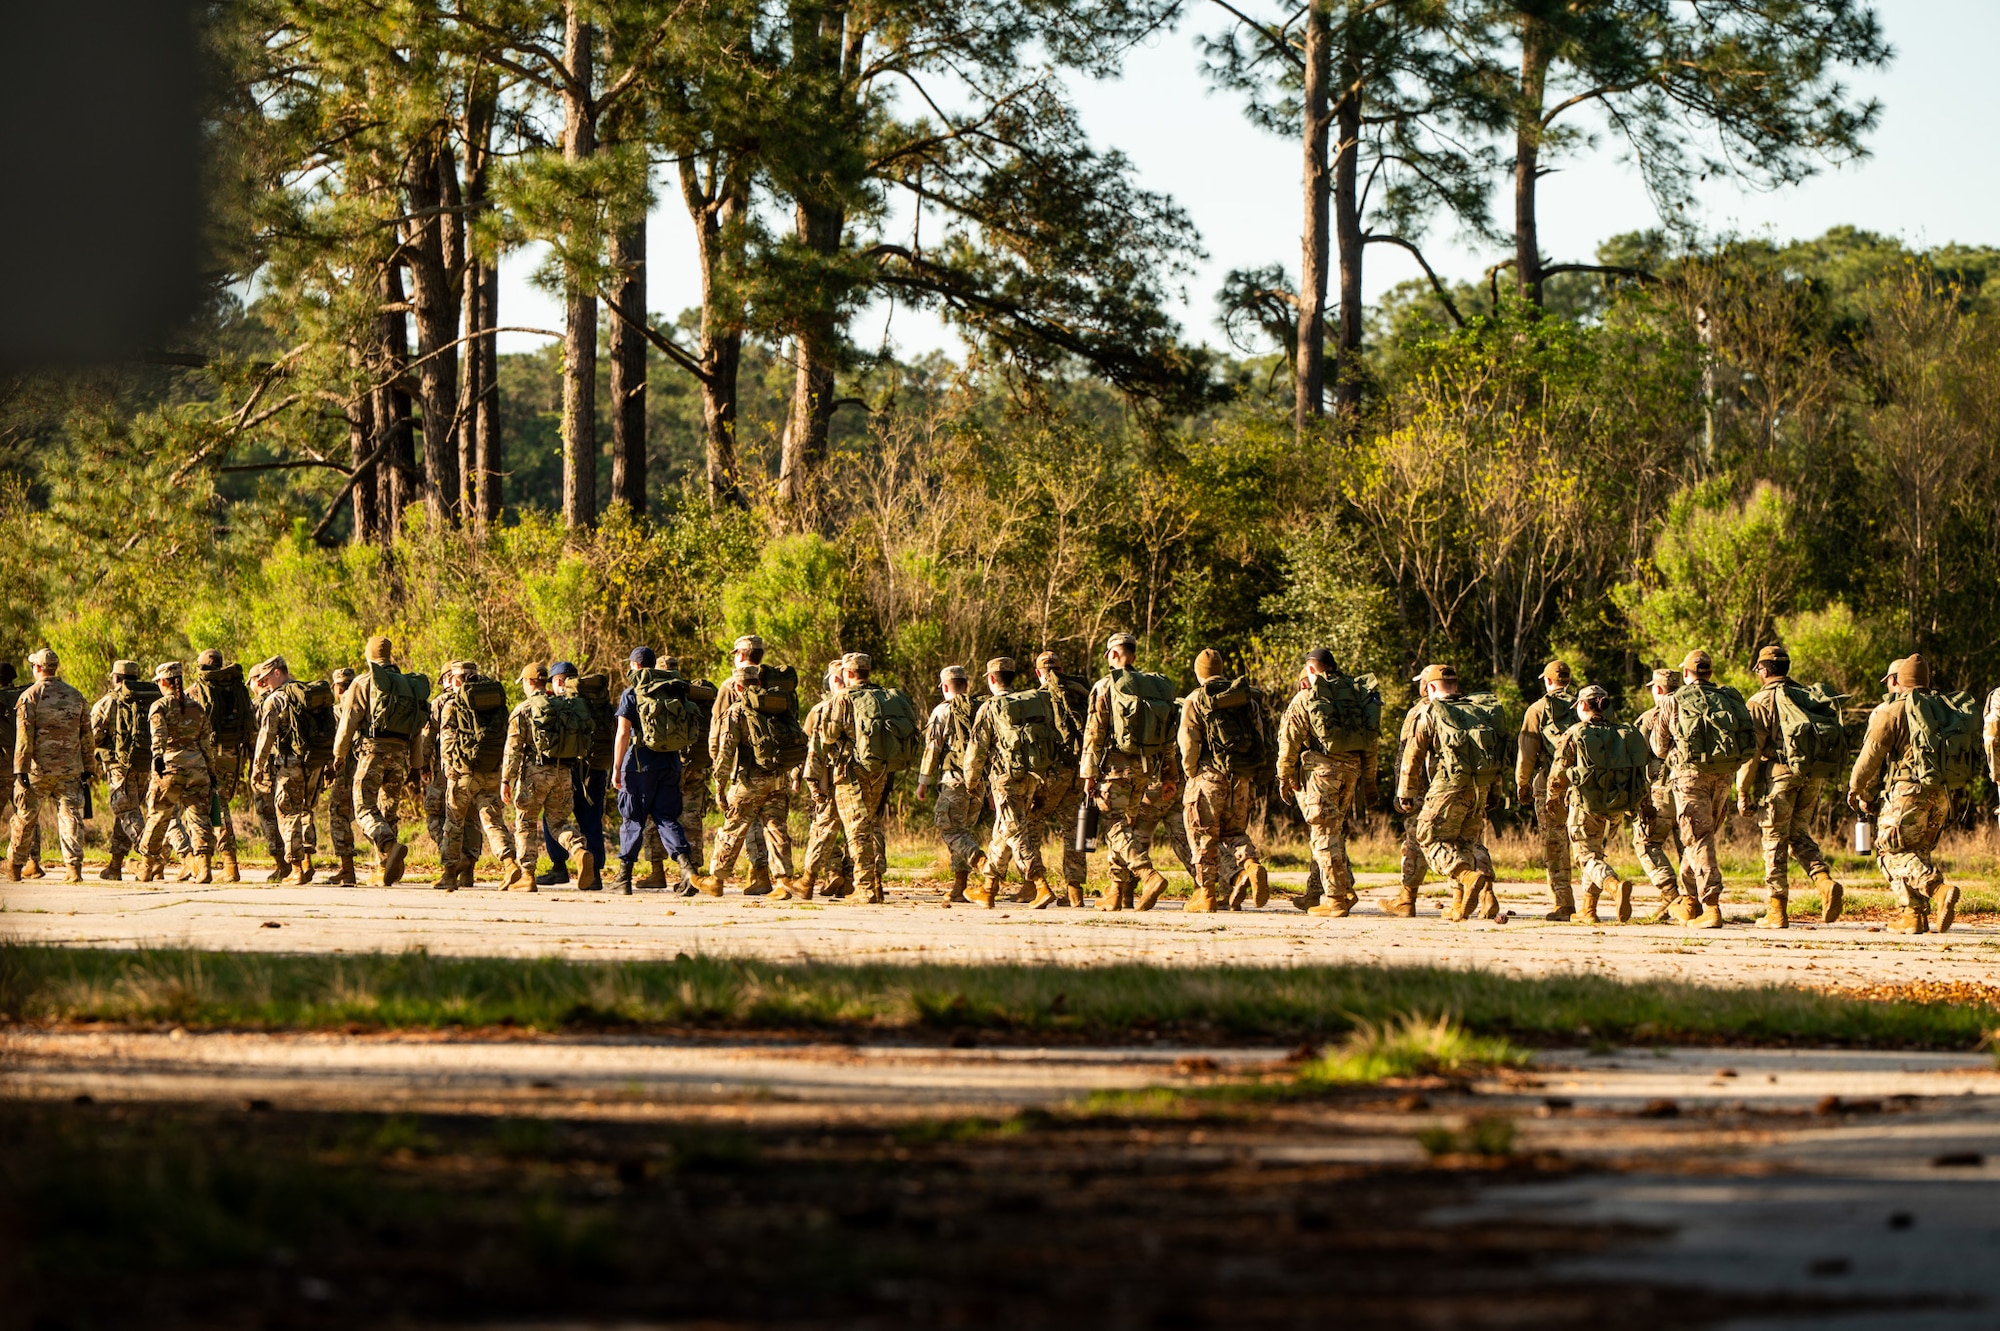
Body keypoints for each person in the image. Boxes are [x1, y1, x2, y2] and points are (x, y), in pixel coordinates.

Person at [1849, 654, 1963, 935]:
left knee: (1888, 851)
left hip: (1908, 791)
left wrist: (1855, 789)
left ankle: (1938, 889)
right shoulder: (1942, 707)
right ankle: (1913, 915)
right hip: (1941, 794)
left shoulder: (1893, 711)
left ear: (1897, 680)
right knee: (1917, 852)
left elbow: (1869, 759)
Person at [1737, 645, 1843, 928]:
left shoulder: (1759, 702)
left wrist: (1742, 789)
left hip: (1779, 777)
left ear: (1764, 670)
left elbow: (1753, 752)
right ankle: (1823, 881)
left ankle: (1776, 910)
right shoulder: (1806, 695)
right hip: (1810, 775)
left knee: (1774, 840)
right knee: (1798, 834)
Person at [1276, 649, 1379, 917]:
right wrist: (1370, 781)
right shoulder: (1355, 695)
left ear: (1311, 669)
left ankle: (1335, 899)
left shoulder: (1307, 697)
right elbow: (1372, 742)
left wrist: (1284, 777)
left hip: (1321, 771)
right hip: (1351, 770)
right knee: (1332, 831)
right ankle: (1338, 890)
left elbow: (1288, 742)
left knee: (1323, 833)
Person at [1396, 664, 1502, 923]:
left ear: (1430, 687)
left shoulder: (1431, 711)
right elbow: (1498, 753)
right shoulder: (1477, 710)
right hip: (1480, 787)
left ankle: (1466, 877)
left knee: (1427, 838)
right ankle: (1459, 904)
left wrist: (1405, 792)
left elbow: (1413, 755)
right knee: (1464, 843)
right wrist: (1495, 791)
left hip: (1447, 786)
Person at [1080, 632, 1178, 911]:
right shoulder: (1155, 687)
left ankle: (1148, 875)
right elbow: (1169, 736)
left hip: (1114, 769)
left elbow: (1094, 734)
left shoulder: (1105, 686)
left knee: (1113, 826)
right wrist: (1170, 774)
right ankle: (1115, 892)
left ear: (1113, 655)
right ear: (1133, 656)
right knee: (1125, 828)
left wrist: (1087, 773)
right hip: (1145, 771)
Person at [803, 653, 910, 904]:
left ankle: (864, 889)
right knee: (870, 826)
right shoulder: (881, 696)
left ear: (848, 674)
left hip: (850, 772)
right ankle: (875, 885)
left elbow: (828, 736)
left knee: (856, 830)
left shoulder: (843, 698)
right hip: (880, 770)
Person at [1653, 650, 1748, 929]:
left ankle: (1711, 906)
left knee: (1698, 839)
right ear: (1709, 672)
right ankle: (1690, 899)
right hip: (1723, 775)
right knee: (1698, 839)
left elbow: (1658, 748)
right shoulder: (1728, 697)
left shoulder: (1672, 701)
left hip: (1689, 777)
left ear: (1685, 674)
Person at [700, 635, 800, 896]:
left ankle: (716, 880)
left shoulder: (735, 702)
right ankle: (783, 882)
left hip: (748, 778)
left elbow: (723, 746)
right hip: (778, 775)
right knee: (777, 829)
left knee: (733, 827)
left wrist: (720, 785)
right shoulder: (777, 695)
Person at [1545, 684, 1653, 924]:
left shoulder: (1575, 732)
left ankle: (1613, 886)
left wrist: (1552, 800)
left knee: (1586, 857)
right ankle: (1588, 910)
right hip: (1616, 807)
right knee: (1596, 854)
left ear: (1583, 705)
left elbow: (1558, 772)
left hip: (1586, 806)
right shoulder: (1622, 732)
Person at [960, 656, 1056, 909]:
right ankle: (988, 889)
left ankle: (1040, 883)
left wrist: (970, 783)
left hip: (1005, 779)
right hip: (1032, 776)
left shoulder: (991, 707)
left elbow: (976, 750)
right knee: (1003, 831)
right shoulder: (1032, 703)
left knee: (1014, 831)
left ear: (992, 679)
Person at [1178, 648, 1270, 913]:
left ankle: (1206, 895)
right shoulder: (1244, 698)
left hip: (1208, 776)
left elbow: (1189, 741)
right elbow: (1260, 737)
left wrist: (1192, 773)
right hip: (1240, 777)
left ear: (1198, 673)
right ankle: (1251, 865)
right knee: (1235, 833)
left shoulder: (1195, 699)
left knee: (1202, 835)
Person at [330, 637, 427, 886]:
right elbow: (416, 729)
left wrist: (339, 756)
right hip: (400, 756)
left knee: (363, 808)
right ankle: (384, 868)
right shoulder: (407, 684)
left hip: (373, 752)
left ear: (368, 656)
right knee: (388, 811)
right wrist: (416, 766)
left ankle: (389, 844)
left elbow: (348, 722)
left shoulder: (364, 682)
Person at [610, 646, 700, 895]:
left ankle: (624, 878)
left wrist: (616, 768)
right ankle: (687, 868)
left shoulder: (631, 693)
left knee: (633, 819)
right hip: (670, 763)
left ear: (636, 666)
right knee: (667, 818)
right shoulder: (673, 689)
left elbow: (623, 733)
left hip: (639, 766)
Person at [500, 661, 596, 891]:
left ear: (530, 681)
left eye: (523, 681)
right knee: (558, 823)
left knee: (525, 823)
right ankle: (578, 850)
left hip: (535, 775)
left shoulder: (524, 709)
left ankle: (527, 875)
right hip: (563, 773)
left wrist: (506, 780)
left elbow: (513, 749)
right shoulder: (564, 705)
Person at [433, 661, 518, 890]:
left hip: (463, 775)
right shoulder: (495, 702)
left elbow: (447, 742)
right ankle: (510, 864)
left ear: (458, 679)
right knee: (493, 821)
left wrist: (449, 771)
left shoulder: (453, 703)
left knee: (454, 823)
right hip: (491, 772)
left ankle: (449, 874)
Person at [8, 647, 91, 883]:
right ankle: (73, 869)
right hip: (70, 770)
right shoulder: (76, 696)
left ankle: (14, 867)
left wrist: (20, 769)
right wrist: (88, 768)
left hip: (37, 771)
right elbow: (87, 735)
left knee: (24, 818)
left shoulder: (29, 696)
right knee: (71, 818)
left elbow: (24, 738)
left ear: (37, 668)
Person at [137, 661, 217, 884]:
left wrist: (157, 757)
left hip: (170, 769)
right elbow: (205, 743)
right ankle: (204, 868)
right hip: (198, 769)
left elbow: (158, 736)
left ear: (163, 682)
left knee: (158, 817)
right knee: (199, 819)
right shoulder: (197, 707)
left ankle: (146, 867)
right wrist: (211, 771)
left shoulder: (160, 706)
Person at [1632, 668, 1699, 923]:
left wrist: (1638, 798)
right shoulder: (1691, 713)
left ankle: (1670, 894)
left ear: (1657, 690)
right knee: (1688, 847)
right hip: (1692, 790)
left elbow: (1638, 758)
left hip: (1661, 792)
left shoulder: (1650, 718)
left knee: (1646, 842)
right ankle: (1693, 901)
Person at [1515, 660, 1580, 921]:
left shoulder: (1538, 709)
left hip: (1549, 782)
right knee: (1585, 842)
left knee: (1555, 843)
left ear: (1548, 681)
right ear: (1568, 679)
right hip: (1584, 782)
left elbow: (1527, 750)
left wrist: (1522, 783)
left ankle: (1563, 904)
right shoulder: (1586, 704)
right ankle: (1591, 903)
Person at [247, 656, 318, 883]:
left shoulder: (275, 700)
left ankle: (296, 869)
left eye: (267, 678)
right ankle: (306, 865)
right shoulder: (303, 693)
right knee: (303, 812)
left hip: (290, 764)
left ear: (278, 673)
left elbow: (266, 735)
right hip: (312, 763)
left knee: (287, 814)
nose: (265, 683)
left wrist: (257, 767)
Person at [915, 664, 983, 903]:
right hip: (980, 783)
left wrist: (923, 781)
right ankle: (960, 886)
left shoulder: (942, 712)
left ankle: (981, 862)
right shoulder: (981, 708)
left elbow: (932, 749)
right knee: (963, 831)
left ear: (945, 687)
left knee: (949, 828)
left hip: (954, 780)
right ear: (966, 685)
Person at [187, 648, 255, 883]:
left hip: (205, 756)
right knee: (221, 805)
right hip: (233, 754)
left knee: (199, 808)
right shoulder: (238, 690)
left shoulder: (195, 691)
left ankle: (209, 864)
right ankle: (227, 863)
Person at [1028, 651, 1090, 906]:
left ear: (1038, 672)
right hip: (1080, 770)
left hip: (1052, 772)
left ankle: (1036, 885)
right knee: (1076, 831)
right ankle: (1075, 892)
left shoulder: (1037, 698)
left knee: (1030, 823)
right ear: (1062, 669)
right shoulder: (1081, 692)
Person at [795, 659, 857, 901]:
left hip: (830, 778)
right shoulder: (863, 703)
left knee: (823, 828)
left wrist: (802, 777)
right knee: (859, 829)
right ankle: (848, 878)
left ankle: (816, 878)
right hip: (862, 777)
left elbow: (808, 746)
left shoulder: (821, 709)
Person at [88, 660, 155, 881]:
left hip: (119, 766)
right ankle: (115, 866)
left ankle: (152, 857)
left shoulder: (108, 702)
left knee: (126, 811)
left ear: (116, 678)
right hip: (145, 764)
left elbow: (92, 736)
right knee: (125, 813)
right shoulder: (149, 699)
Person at [0, 662, 40, 877]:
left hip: (3, 767)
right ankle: (33, 861)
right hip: (25, 765)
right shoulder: (25, 696)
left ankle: (10, 864)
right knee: (27, 814)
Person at [323, 667, 360, 884]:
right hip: (368, 769)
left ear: (337, 688)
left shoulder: (337, 711)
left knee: (338, 816)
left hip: (343, 773)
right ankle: (384, 861)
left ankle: (347, 868)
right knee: (369, 814)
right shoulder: (365, 706)